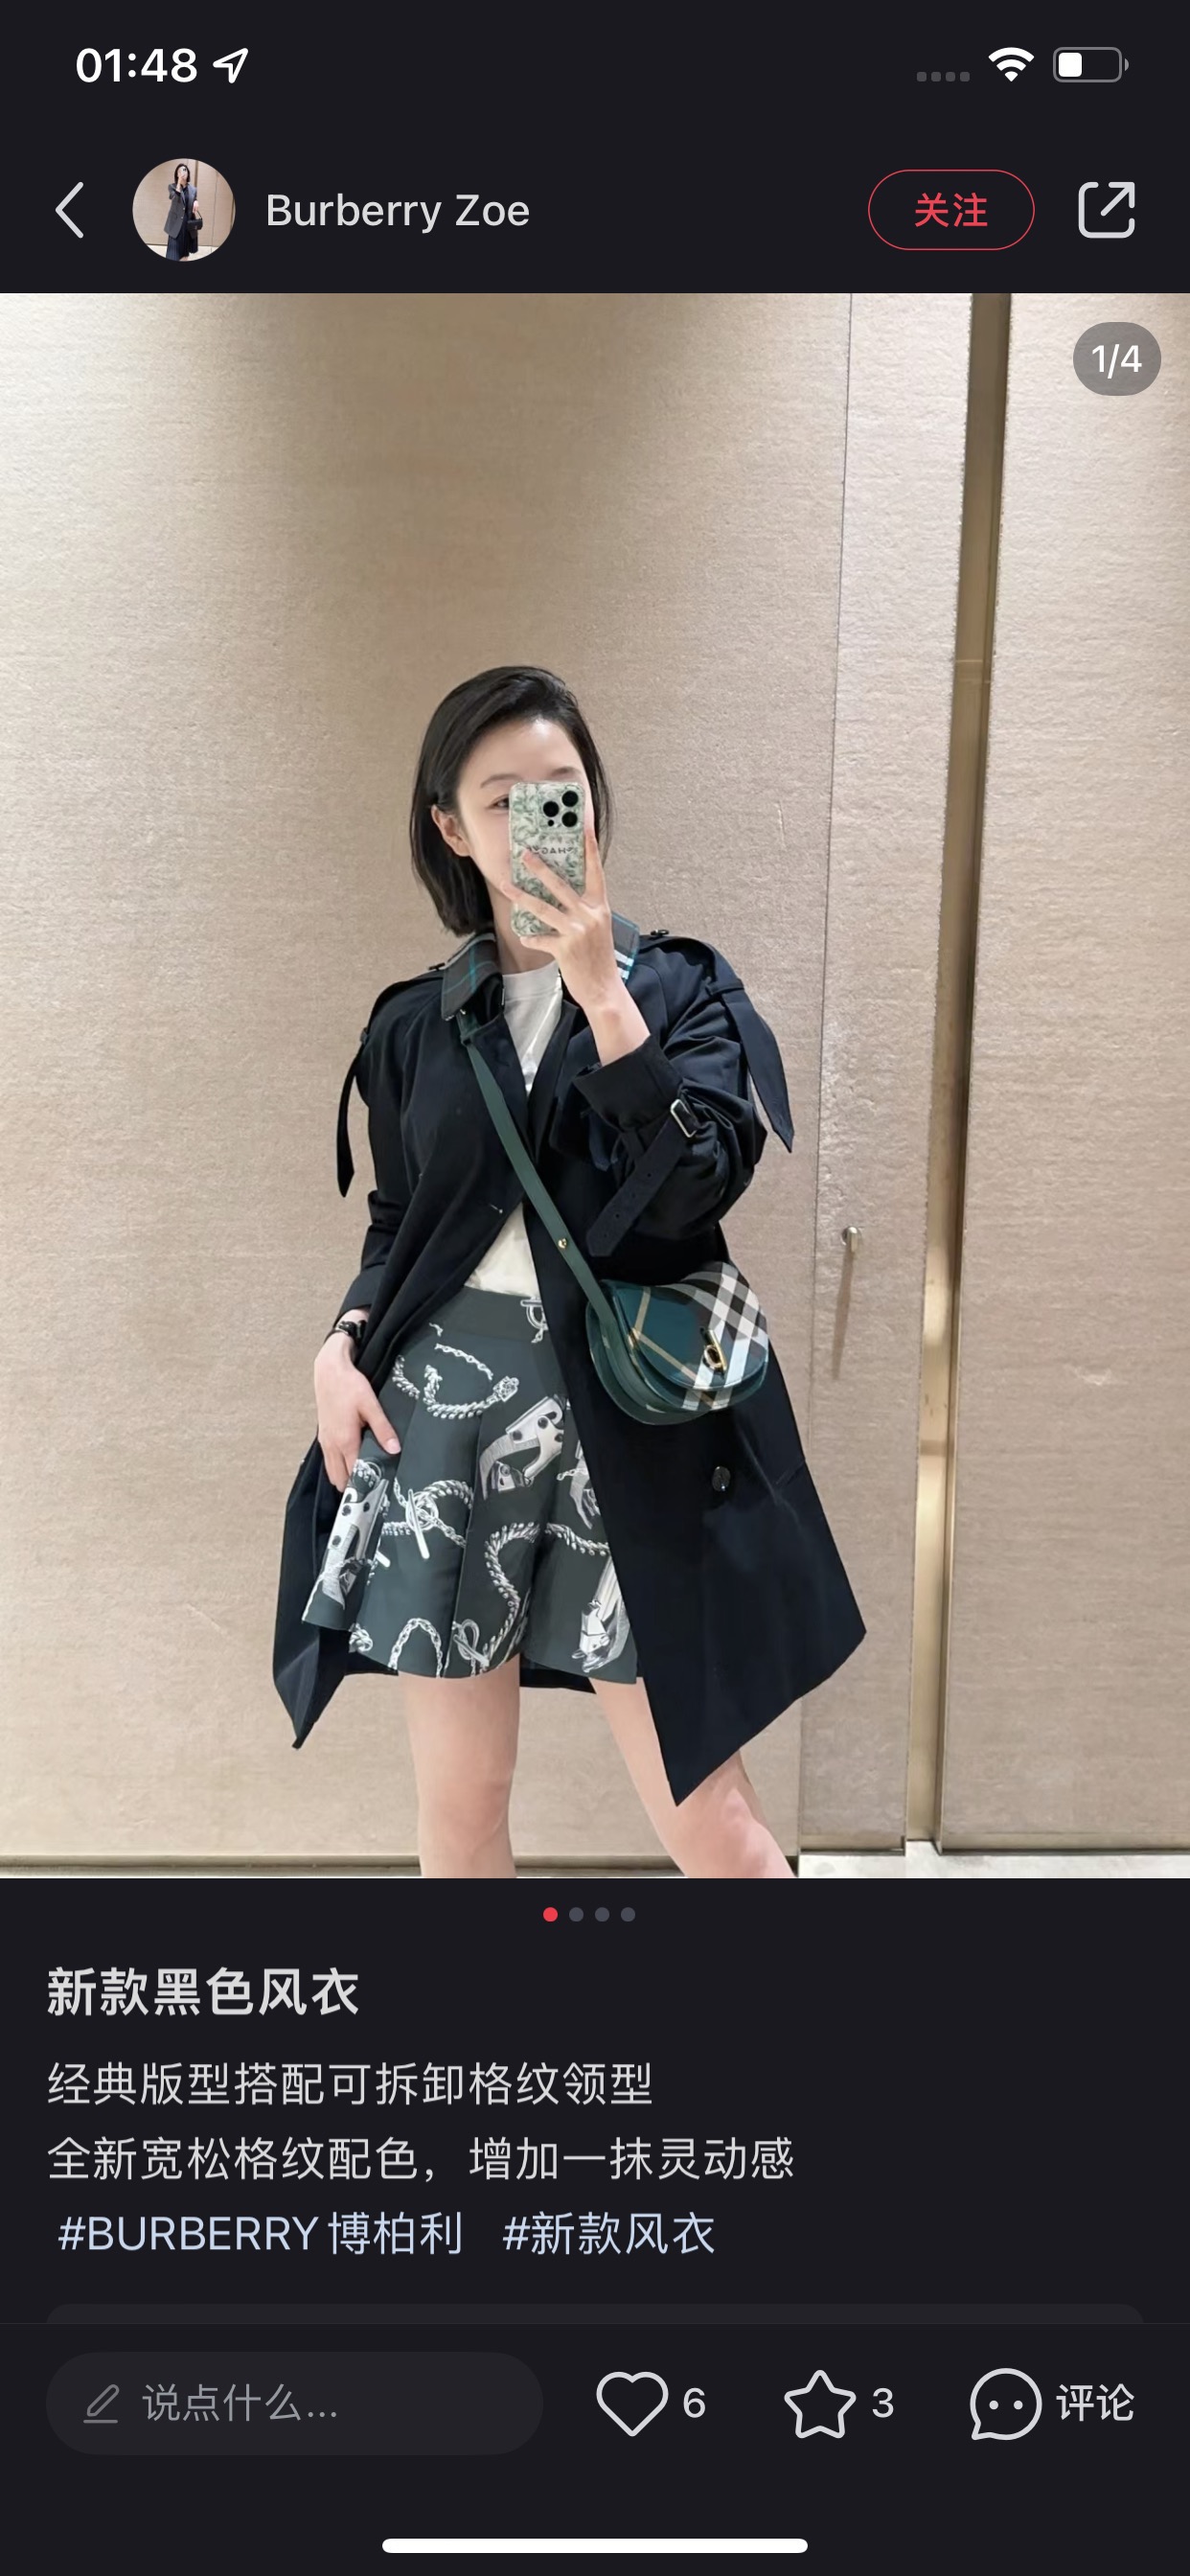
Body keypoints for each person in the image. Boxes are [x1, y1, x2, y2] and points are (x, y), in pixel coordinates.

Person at [278, 665, 866, 1876]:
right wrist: (341, 1346)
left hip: (631, 1427)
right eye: (501, 799)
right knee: (460, 1814)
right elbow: (398, 1224)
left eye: (562, 790)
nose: (537, 817)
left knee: (716, 1827)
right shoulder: (418, 1024)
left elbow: (699, 1183)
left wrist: (601, 995)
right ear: (451, 828)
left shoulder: (681, 991)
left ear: (594, 801)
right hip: (443, 1425)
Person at [164, 165, 199, 261]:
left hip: (187, 225)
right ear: (177, 174)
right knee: (173, 254)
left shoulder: (193, 189)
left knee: (184, 254)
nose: (182, 173)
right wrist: (179, 184)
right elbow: (174, 199)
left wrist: (196, 201)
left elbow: (193, 199)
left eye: (184, 170)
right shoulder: (172, 187)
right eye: (179, 171)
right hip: (175, 225)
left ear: (188, 173)